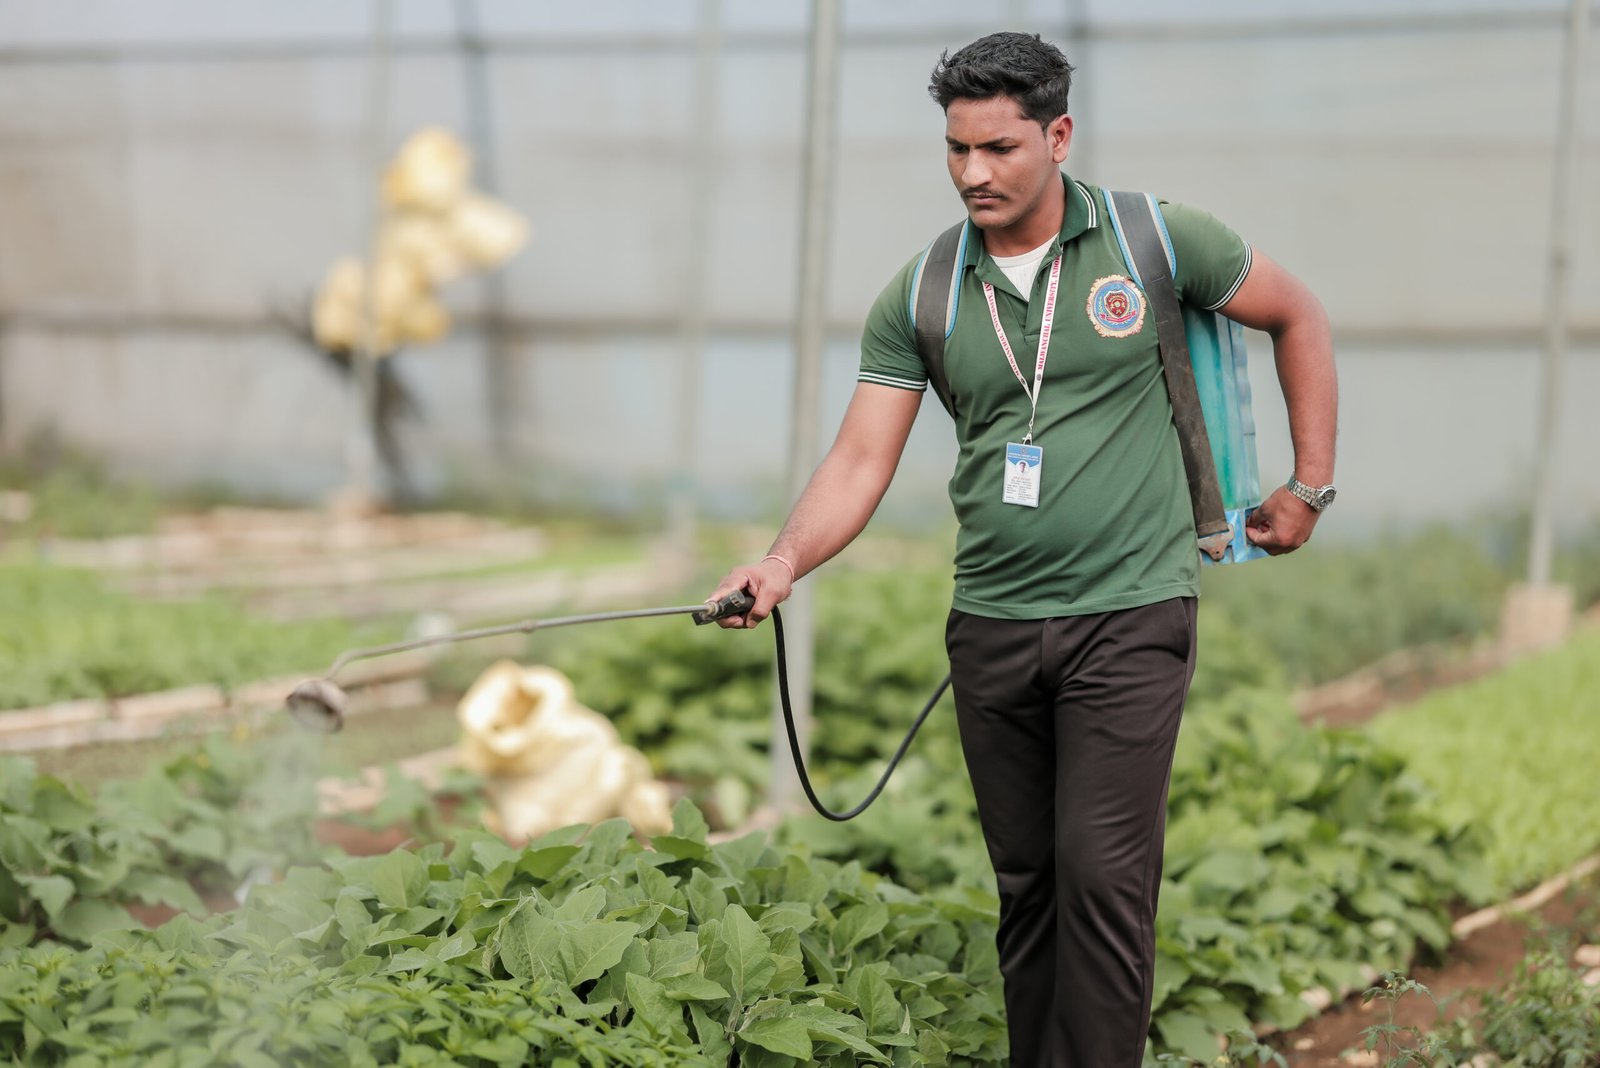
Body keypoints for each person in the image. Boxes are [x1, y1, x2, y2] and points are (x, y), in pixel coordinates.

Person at [708, 31, 1336, 1068]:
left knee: (1101, 872)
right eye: (956, 149)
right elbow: (859, 460)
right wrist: (778, 564)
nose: (973, 172)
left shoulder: (1153, 239)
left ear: (1058, 135)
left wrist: (1308, 486)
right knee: (1030, 884)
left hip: (1130, 615)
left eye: (998, 147)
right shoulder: (924, 290)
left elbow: (1297, 314)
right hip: (991, 626)